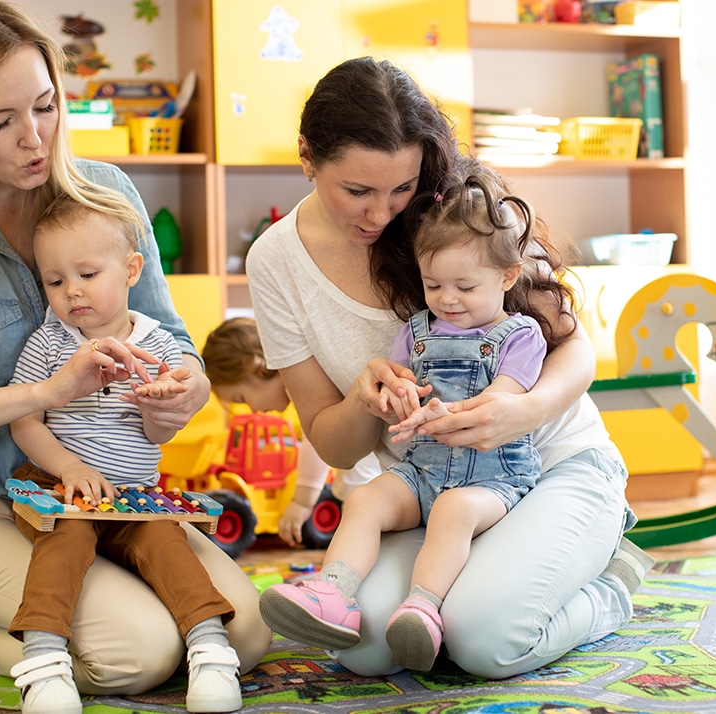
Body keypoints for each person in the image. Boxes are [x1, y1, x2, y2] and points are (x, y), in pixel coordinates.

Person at [0, 1, 270, 710]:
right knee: (138, 653)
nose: (34, 138)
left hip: (111, 498)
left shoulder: (108, 196)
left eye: (45, 106)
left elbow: (173, 342)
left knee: (244, 634)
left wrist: (182, 392)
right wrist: (43, 395)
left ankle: (60, 617)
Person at [245, 56, 655, 679]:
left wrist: (526, 409)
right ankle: (481, 582)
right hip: (428, 486)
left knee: (482, 642)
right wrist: (362, 401)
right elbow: (330, 441)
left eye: (400, 189)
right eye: (357, 190)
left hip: (550, 465)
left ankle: (609, 585)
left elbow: (575, 347)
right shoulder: (274, 261)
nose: (381, 214)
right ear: (307, 156)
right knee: (364, 646)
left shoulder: (462, 213)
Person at [259, 166, 551, 672]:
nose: (447, 299)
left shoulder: (520, 335)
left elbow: (501, 403)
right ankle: (333, 593)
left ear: (506, 277)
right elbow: (405, 385)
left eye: (464, 286)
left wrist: (447, 412)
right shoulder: (416, 331)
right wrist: (396, 398)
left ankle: (424, 606)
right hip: (421, 471)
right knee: (367, 497)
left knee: (454, 512)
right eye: (433, 284)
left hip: (492, 477)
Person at [6, 196, 241, 713]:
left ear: (132, 269)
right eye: (54, 281)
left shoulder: (159, 343)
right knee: (62, 546)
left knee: (169, 548)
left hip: (134, 497)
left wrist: (160, 410)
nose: (72, 292)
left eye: (87, 273)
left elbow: (159, 437)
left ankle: (210, 650)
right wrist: (69, 466)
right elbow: (24, 419)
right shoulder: (48, 343)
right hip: (60, 490)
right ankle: (44, 665)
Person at [202, 316, 382, 545]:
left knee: (356, 495)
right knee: (351, 492)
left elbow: (316, 440)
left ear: (253, 365)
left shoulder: (297, 377)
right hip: (362, 430)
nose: (255, 409)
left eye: (243, 398)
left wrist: (302, 502)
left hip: (367, 429)